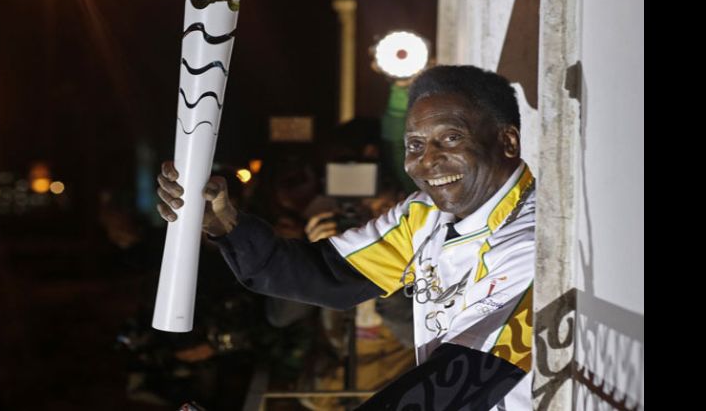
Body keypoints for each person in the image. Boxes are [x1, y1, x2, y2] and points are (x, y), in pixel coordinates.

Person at [157, 65, 535, 410]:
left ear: (508, 142)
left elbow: (459, 382)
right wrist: (225, 222)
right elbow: (326, 273)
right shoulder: (424, 214)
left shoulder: (532, 242)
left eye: (451, 138)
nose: (427, 161)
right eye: (415, 145)